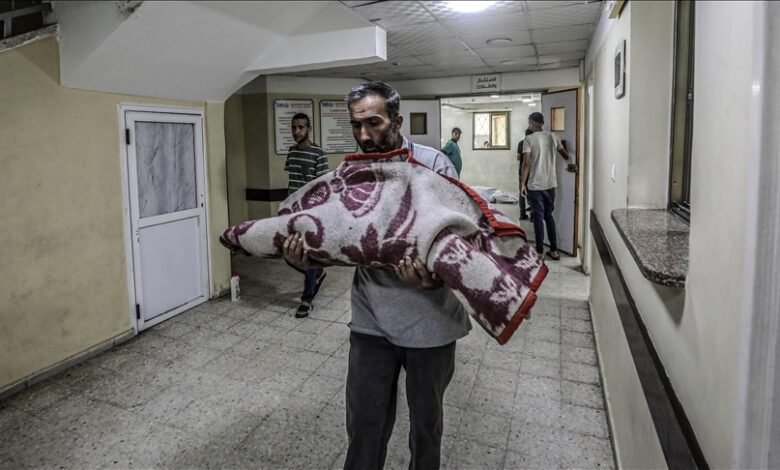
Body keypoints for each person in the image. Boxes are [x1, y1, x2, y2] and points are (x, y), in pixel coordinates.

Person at [281, 82, 470, 470]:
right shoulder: (349, 174)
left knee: (426, 428)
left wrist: (434, 280)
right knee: (365, 427)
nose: (364, 135)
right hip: (371, 323)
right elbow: (335, 241)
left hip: (430, 325)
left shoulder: (434, 166)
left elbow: (464, 247)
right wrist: (305, 260)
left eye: (374, 123)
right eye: (356, 125)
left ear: (397, 121)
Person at [284, 112, 329, 318]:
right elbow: (293, 182)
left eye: (301, 127)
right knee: (289, 253)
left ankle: (307, 299)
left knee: (307, 254)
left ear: (309, 129)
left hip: (311, 212)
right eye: (294, 127)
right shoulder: (292, 152)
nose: (297, 131)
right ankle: (317, 272)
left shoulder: (319, 153)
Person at [520, 111, 572, 261]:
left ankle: (539, 252)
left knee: (538, 219)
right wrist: (560, 146)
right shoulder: (553, 137)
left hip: (535, 185)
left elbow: (526, 163)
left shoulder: (529, 139)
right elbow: (566, 156)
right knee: (549, 216)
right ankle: (554, 251)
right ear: (542, 124)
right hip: (550, 185)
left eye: (529, 123)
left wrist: (522, 184)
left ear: (531, 123)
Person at [517, 126, 534, 220]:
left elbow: (518, 158)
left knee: (521, 193)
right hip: (532, 172)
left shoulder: (521, 143)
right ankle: (532, 215)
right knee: (532, 192)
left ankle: (522, 214)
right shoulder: (534, 143)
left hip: (521, 171)